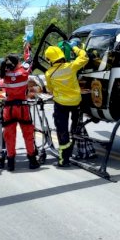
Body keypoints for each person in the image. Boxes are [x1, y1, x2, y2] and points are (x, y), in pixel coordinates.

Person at [44, 39, 89, 167]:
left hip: (61, 104)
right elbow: (84, 57)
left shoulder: (49, 73)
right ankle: (74, 145)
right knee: (75, 126)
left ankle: (64, 159)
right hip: (76, 102)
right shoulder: (71, 66)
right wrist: (74, 48)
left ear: (49, 59)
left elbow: (50, 90)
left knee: (62, 130)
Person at [0, 53, 40, 171]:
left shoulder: (4, 75)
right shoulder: (24, 73)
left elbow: (1, 85)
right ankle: (32, 161)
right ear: (17, 62)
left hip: (9, 109)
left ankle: (11, 163)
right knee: (28, 134)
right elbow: (27, 70)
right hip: (22, 108)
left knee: (9, 136)